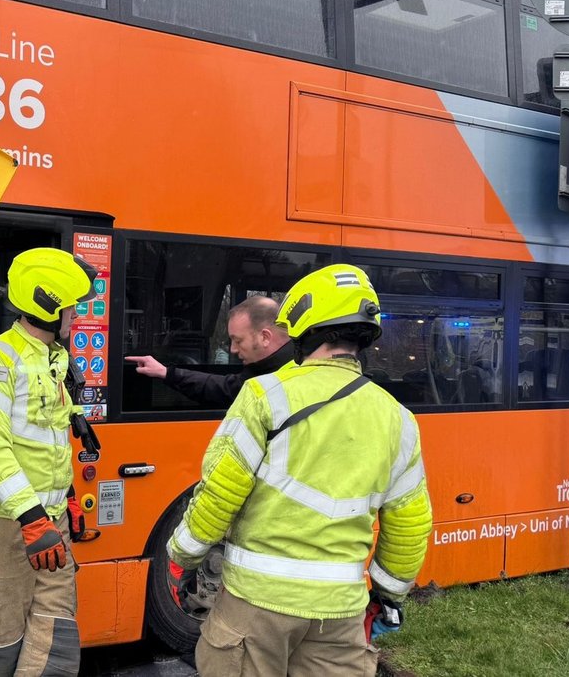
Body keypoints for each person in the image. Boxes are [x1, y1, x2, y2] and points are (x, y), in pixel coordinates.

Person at [165, 265, 433, 676]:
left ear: (306, 327)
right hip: (340, 612)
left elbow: (219, 494)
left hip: (256, 605)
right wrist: (388, 595)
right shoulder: (399, 418)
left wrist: (182, 555)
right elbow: (410, 525)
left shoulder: (264, 396)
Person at [0, 247, 97, 677]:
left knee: (56, 638)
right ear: (48, 304)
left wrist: (65, 492)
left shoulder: (53, 358)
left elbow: (42, 432)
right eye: (71, 305)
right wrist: (32, 518)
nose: (76, 314)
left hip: (48, 521)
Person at [125, 296, 292, 408]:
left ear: (265, 337)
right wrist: (165, 372)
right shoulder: (265, 371)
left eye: (238, 340)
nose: (233, 349)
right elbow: (224, 388)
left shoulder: (296, 375)